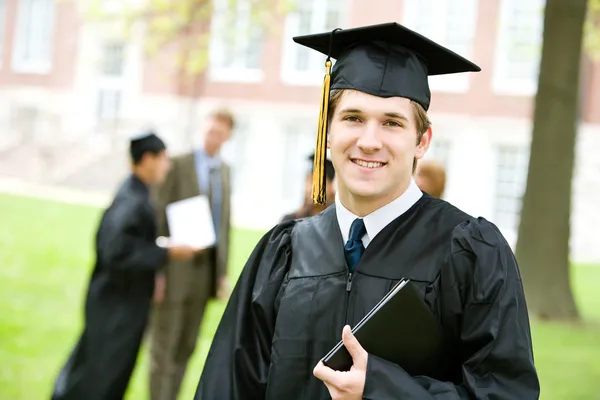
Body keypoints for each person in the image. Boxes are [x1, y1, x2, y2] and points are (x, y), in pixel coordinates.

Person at [194, 22, 540, 400]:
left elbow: (506, 393)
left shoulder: (470, 252)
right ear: (327, 132)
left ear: (422, 141)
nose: (369, 141)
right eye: (353, 118)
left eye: (391, 123)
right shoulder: (285, 252)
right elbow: (228, 386)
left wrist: (383, 389)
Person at [50, 132, 198, 400]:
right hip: (116, 306)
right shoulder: (132, 200)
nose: (167, 166)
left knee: (103, 369)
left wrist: (160, 248)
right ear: (147, 159)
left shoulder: (136, 193)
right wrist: (166, 252)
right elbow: (115, 252)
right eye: (163, 159)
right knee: (101, 374)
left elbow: (126, 243)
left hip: (120, 301)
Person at [148, 108, 235, 400]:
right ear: (202, 129)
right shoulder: (177, 164)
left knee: (187, 345)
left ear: (228, 137)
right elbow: (158, 216)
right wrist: (157, 270)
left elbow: (223, 223)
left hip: (204, 272)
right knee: (165, 346)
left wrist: (221, 272)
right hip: (174, 268)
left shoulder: (224, 171)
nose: (214, 138)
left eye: (220, 134)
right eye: (210, 131)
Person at [281, 152, 336, 222]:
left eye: (317, 183)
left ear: (331, 186)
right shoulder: (290, 222)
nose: (310, 189)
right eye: (308, 181)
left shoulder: (338, 222)